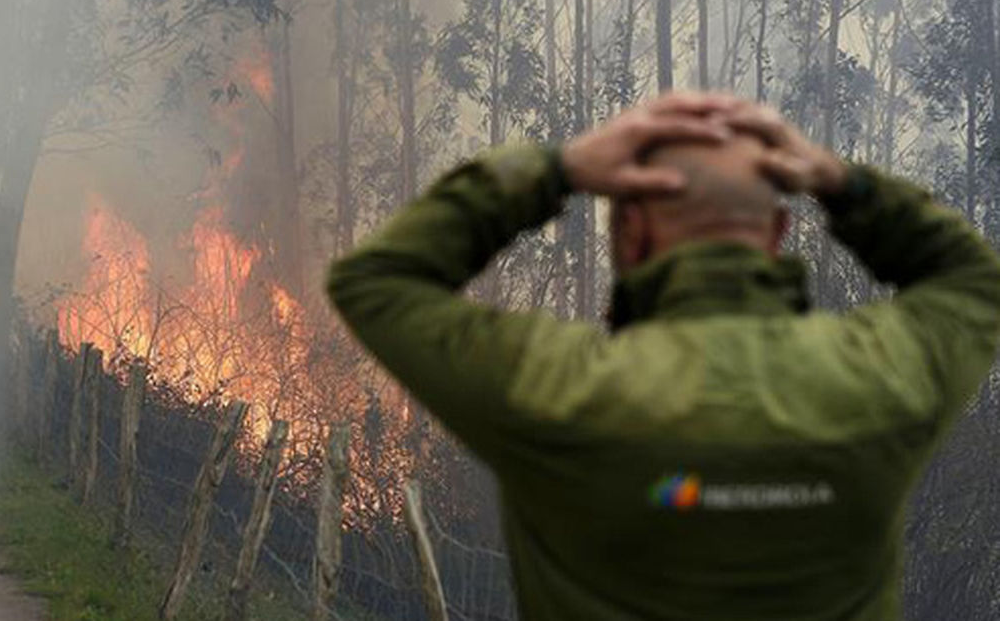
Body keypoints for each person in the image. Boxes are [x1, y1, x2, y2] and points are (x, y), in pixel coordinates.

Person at [325, 92, 1000, 620]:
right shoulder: (875, 377)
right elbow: (974, 281)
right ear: (776, 231)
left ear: (632, 229)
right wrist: (842, 182)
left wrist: (554, 169)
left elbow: (376, 282)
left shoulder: (553, 383)